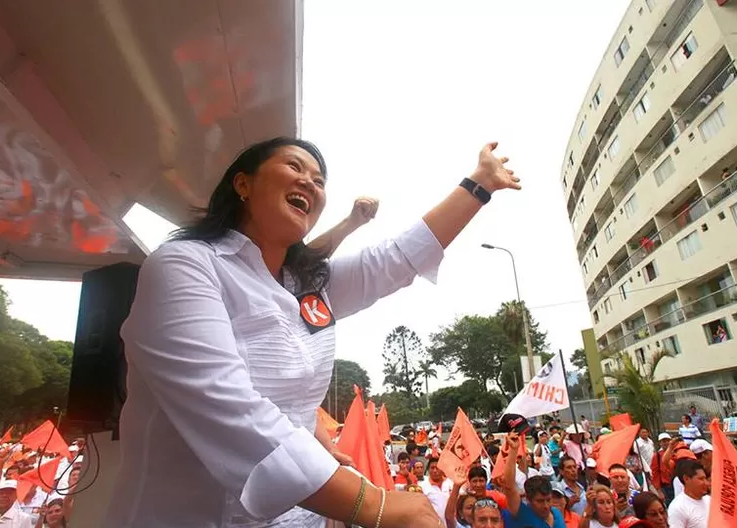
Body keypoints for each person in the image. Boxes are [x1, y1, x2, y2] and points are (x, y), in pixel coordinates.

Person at [103, 138, 521, 527]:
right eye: (294, 166)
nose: (310, 182)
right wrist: (374, 505)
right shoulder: (185, 265)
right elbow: (225, 403)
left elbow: (397, 258)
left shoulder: (309, 285)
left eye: (319, 181)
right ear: (243, 184)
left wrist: (479, 185)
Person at [502, 432, 567, 528]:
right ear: (528, 499)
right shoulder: (522, 513)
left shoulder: (556, 513)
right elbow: (509, 488)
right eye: (540, 501)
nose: (546, 505)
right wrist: (513, 450)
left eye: (548, 500)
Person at [666, 461, 709, 528]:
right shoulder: (677, 508)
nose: (706, 483)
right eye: (701, 479)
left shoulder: (710, 500)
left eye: (705, 478)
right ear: (686, 479)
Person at [651, 433, 675, 505]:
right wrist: (659, 491)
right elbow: (655, 473)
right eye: (663, 441)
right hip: (666, 486)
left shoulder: (676, 453)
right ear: (660, 443)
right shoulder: (657, 456)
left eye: (667, 441)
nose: (666, 443)